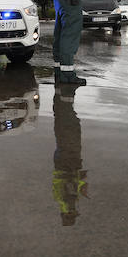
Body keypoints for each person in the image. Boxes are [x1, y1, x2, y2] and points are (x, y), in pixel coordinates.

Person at [52, 84, 88, 225]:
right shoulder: (65, 201)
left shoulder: (67, 201)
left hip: (67, 162)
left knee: (69, 131)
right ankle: (63, 104)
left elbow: (68, 181)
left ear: (67, 213)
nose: (74, 211)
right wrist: (82, 181)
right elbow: (73, 183)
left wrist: (80, 180)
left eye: (71, 214)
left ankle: (64, 104)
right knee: (68, 132)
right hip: (67, 161)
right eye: (73, 213)